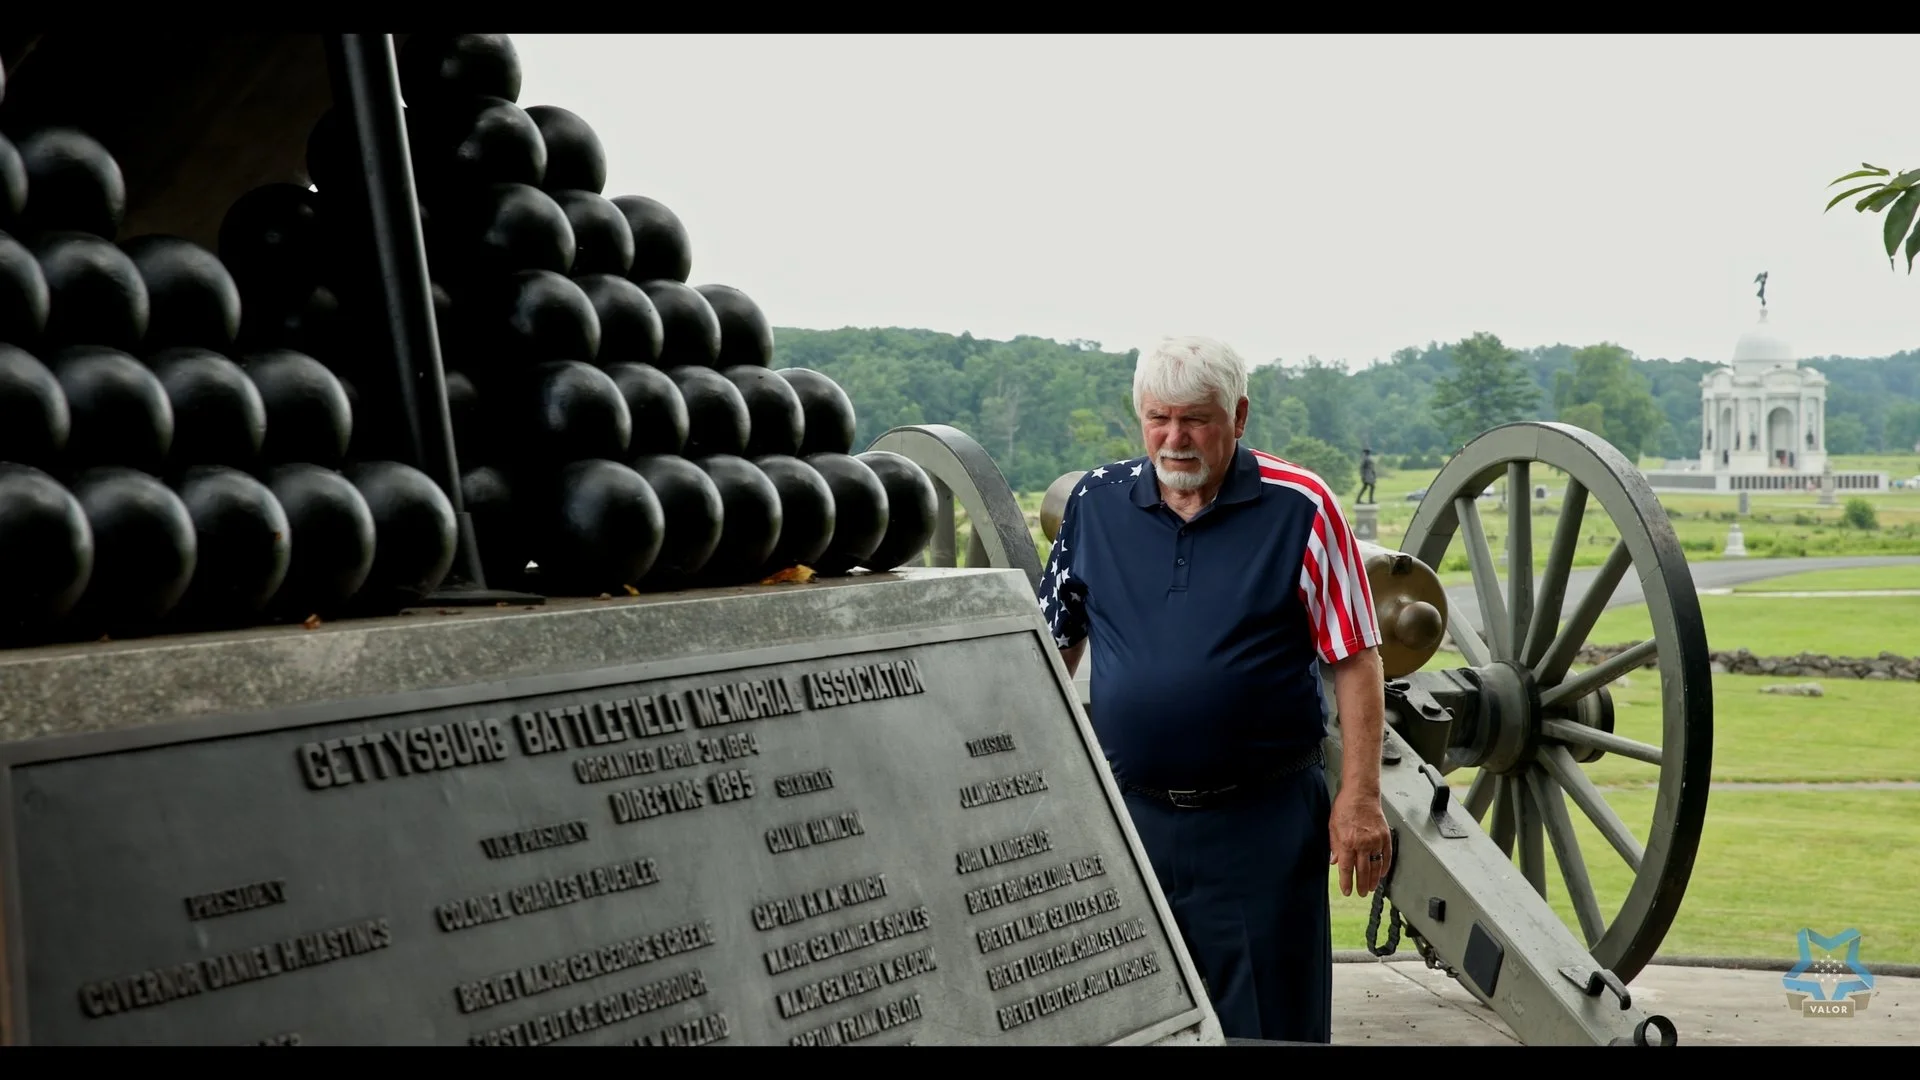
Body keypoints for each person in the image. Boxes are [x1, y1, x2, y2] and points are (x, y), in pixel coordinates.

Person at [1037, 335, 1391, 1044]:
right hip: (1131, 819)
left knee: (1268, 1026)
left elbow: (1355, 659)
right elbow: (1051, 650)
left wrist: (1359, 798)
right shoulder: (1094, 504)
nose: (1175, 437)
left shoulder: (1303, 506)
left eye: (1196, 418)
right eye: (1158, 418)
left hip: (1259, 827)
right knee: (1135, 1021)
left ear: (1239, 415)